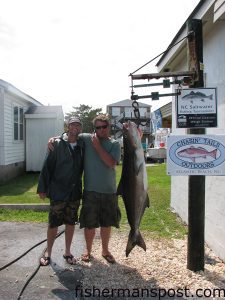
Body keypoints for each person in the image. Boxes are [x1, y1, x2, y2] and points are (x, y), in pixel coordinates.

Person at [48, 114, 121, 264]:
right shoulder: (87, 138)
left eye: (104, 127)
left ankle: (105, 250)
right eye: (98, 127)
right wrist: (54, 138)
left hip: (109, 191)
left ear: (109, 127)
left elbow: (111, 163)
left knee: (106, 224)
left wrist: (97, 146)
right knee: (90, 224)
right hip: (90, 190)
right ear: (95, 128)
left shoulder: (114, 144)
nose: (101, 130)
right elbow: (70, 134)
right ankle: (88, 250)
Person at [37, 117, 84, 266]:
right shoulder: (56, 143)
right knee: (53, 224)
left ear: (81, 128)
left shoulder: (82, 145)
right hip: (58, 191)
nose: (75, 127)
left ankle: (67, 252)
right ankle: (48, 253)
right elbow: (47, 167)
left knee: (71, 223)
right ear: (68, 126)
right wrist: (42, 188)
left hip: (74, 192)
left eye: (78, 125)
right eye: (72, 124)